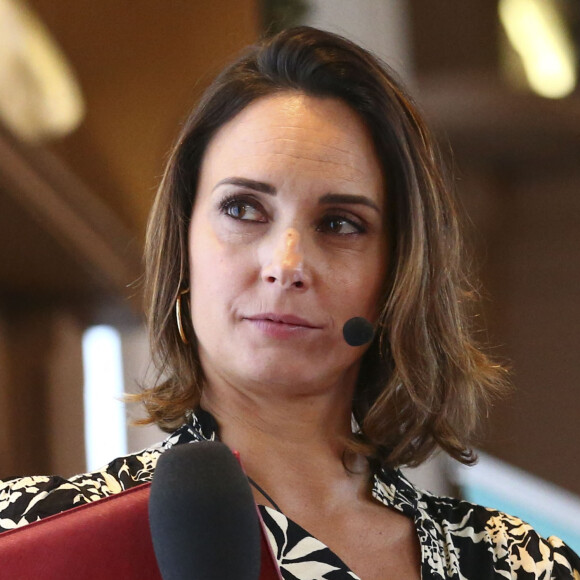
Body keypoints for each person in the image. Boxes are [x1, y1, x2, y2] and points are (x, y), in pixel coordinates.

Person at [0, 26, 578, 579]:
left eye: (340, 223)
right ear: (184, 245)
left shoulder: (521, 566)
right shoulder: (30, 538)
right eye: (244, 209)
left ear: (397, 276)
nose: (287, 265)